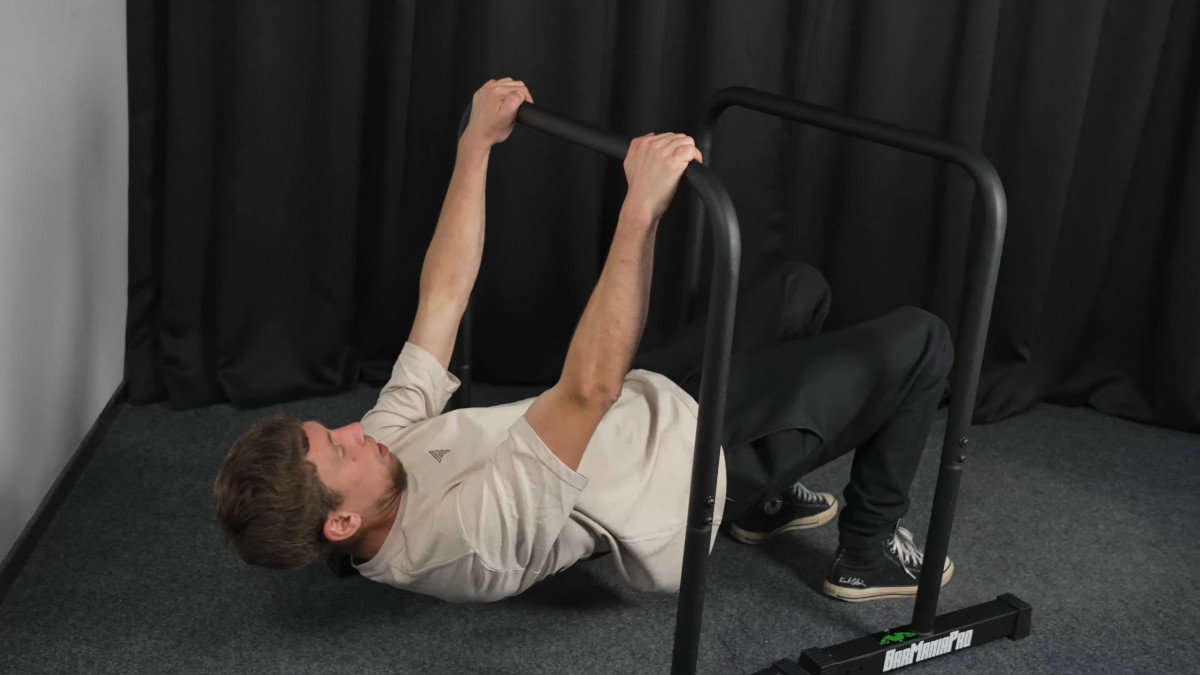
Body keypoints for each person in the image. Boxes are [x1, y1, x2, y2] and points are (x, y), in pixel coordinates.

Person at [213, 78, 955, 604]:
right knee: (924, 341)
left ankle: (762, 510)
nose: (355, 428)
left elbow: (441, 300)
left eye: (329, 431)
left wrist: (475, 146)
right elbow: (584, 390)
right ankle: (864, 551)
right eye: (338, 448)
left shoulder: (377, 465)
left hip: (634, 409)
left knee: (798, 289)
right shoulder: (468, 541)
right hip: (684, 468)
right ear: (341, 521)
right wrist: (642, 209)